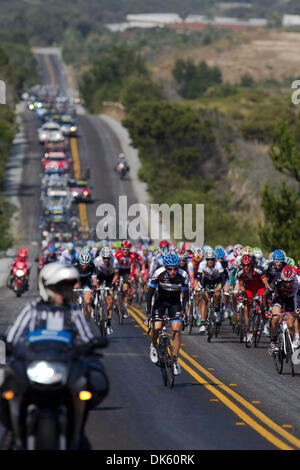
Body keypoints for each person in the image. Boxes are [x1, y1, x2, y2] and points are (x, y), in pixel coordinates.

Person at [0, 262, 109, 439]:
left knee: (94, 379)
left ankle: (76, 432)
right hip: (33, 364)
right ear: (46, 287)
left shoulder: (73, 311)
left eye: (66, 287)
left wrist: (93, 344)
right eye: (58, 287)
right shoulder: (32, 309)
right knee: (7, 385)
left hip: (65, 366)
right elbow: (12, 337)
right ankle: (15, 431)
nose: (63, 291)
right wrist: (8, 345)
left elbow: (87, 337)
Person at [145, 253, 189, 376]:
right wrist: (149, 314)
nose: (173, 271)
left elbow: (186, 297)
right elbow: (150, 295)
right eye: (170, 269)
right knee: (157, 327)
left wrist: (184, 312)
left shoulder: (183, 275)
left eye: (175, 268)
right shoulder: (158, 273)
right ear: (165, 268)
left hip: (175, 303)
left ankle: (175, 361)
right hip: (161, 302)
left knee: (176, 329)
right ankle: (153, 344)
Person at [266, 265, 299, 354]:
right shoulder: (278, 279)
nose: (288, 284)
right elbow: (268, 293)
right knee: (275, 317)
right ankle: (273, 341)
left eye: (290, 282)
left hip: (291, 299)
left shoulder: (298, 281)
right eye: (285, 282)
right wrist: (267, 308)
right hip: (279, 297)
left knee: (290, 325)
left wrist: (298, 307)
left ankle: (290, 345)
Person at [94, 247, 120, 335]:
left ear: (110, 257)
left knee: (110, 302)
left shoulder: (115, 261)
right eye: (104, 258)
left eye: (108, 258)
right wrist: (95, 285)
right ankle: (96, 301)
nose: (106, 260)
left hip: (110, 277)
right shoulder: (97, 260)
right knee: (95, 287)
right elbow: (93, 274)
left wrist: (113, 283)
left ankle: (108, 324)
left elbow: (117, 274)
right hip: (100, 275)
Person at [73, 251, 98, 322]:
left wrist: (94, 287)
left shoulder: (92, 265)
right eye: (83, 264)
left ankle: (87, 323)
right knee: (73, 297)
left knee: (87, 302)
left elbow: (94, 279)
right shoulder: (75, 265)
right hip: (76, 281)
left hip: (86, 283)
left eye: (86, 264)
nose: (84, 266)